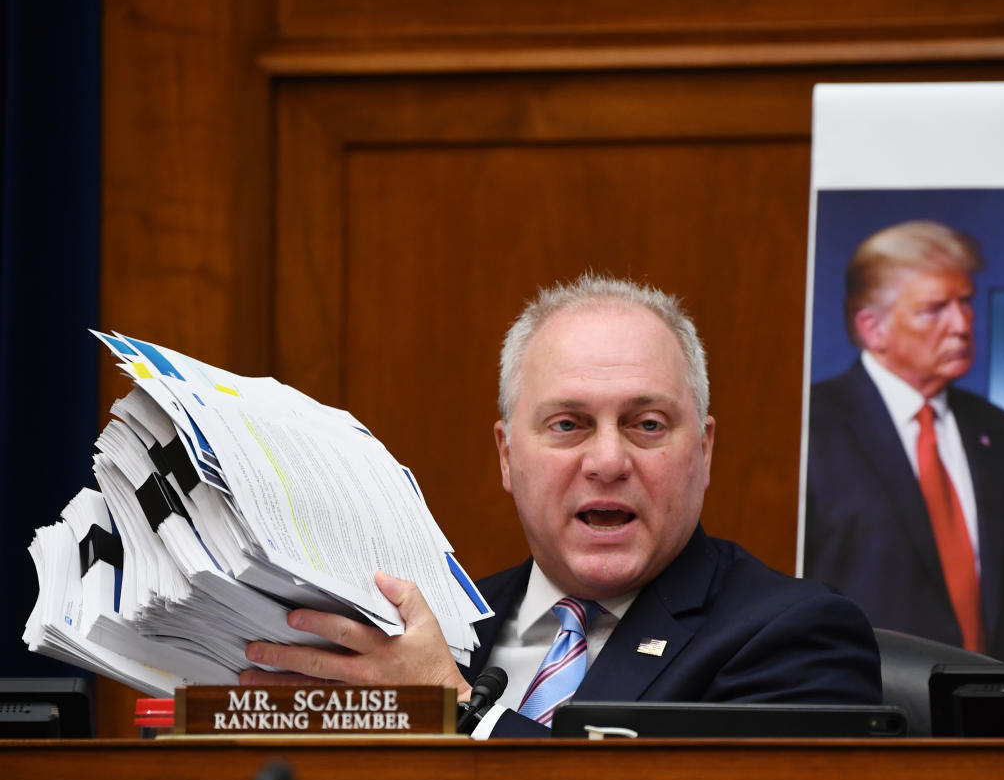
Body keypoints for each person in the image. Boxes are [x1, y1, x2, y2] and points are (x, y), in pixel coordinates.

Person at [243, 273, 881, 737]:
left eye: (648, 424)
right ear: (505, 456)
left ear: (705, 450)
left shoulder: (798, 638)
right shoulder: (425, 635)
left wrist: (456, 709)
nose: (607, 461)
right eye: (568, 425)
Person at [802, 221, 1004, 661]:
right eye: (935, 308)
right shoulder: (810, 428)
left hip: (995, 717)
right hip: (860, 711)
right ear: (872, 328)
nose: (962, 323)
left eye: (966, 302)